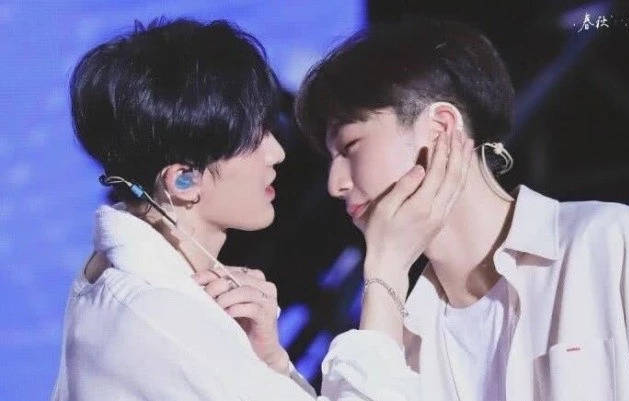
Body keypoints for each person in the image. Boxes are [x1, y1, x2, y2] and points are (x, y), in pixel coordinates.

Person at [52, 18, 465, 400]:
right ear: (183, 180)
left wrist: (268, 363)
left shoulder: (127, 283)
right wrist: (386, 269)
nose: (277, 153)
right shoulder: (164, 318)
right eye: (254, 139)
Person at [294, 18, 629, 400]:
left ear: (440, 127)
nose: (335, 184)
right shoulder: (396, 346)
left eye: (350, 147)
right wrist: (385, 268)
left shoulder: (613, 245)